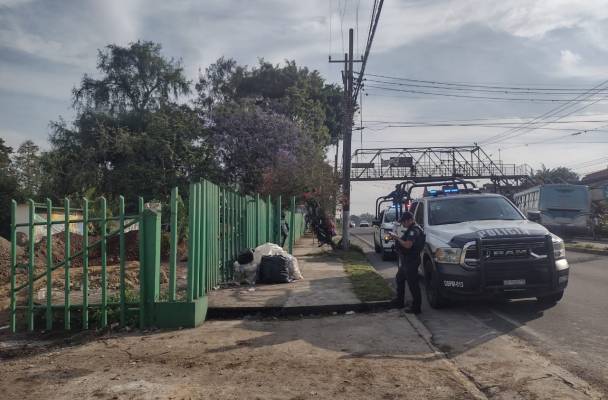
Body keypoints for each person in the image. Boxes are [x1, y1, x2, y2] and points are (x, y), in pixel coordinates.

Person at [388, 211, 425, 314]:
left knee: (413, 284)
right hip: (407, 260)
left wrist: (396, 237)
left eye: (404, 222)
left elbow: (408, 245)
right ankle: (399, 301)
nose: (403, 224)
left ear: (409, 220)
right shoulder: (410, 229)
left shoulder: (414, 230)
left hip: (412, 260)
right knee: (399, 278)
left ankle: (416, 308)